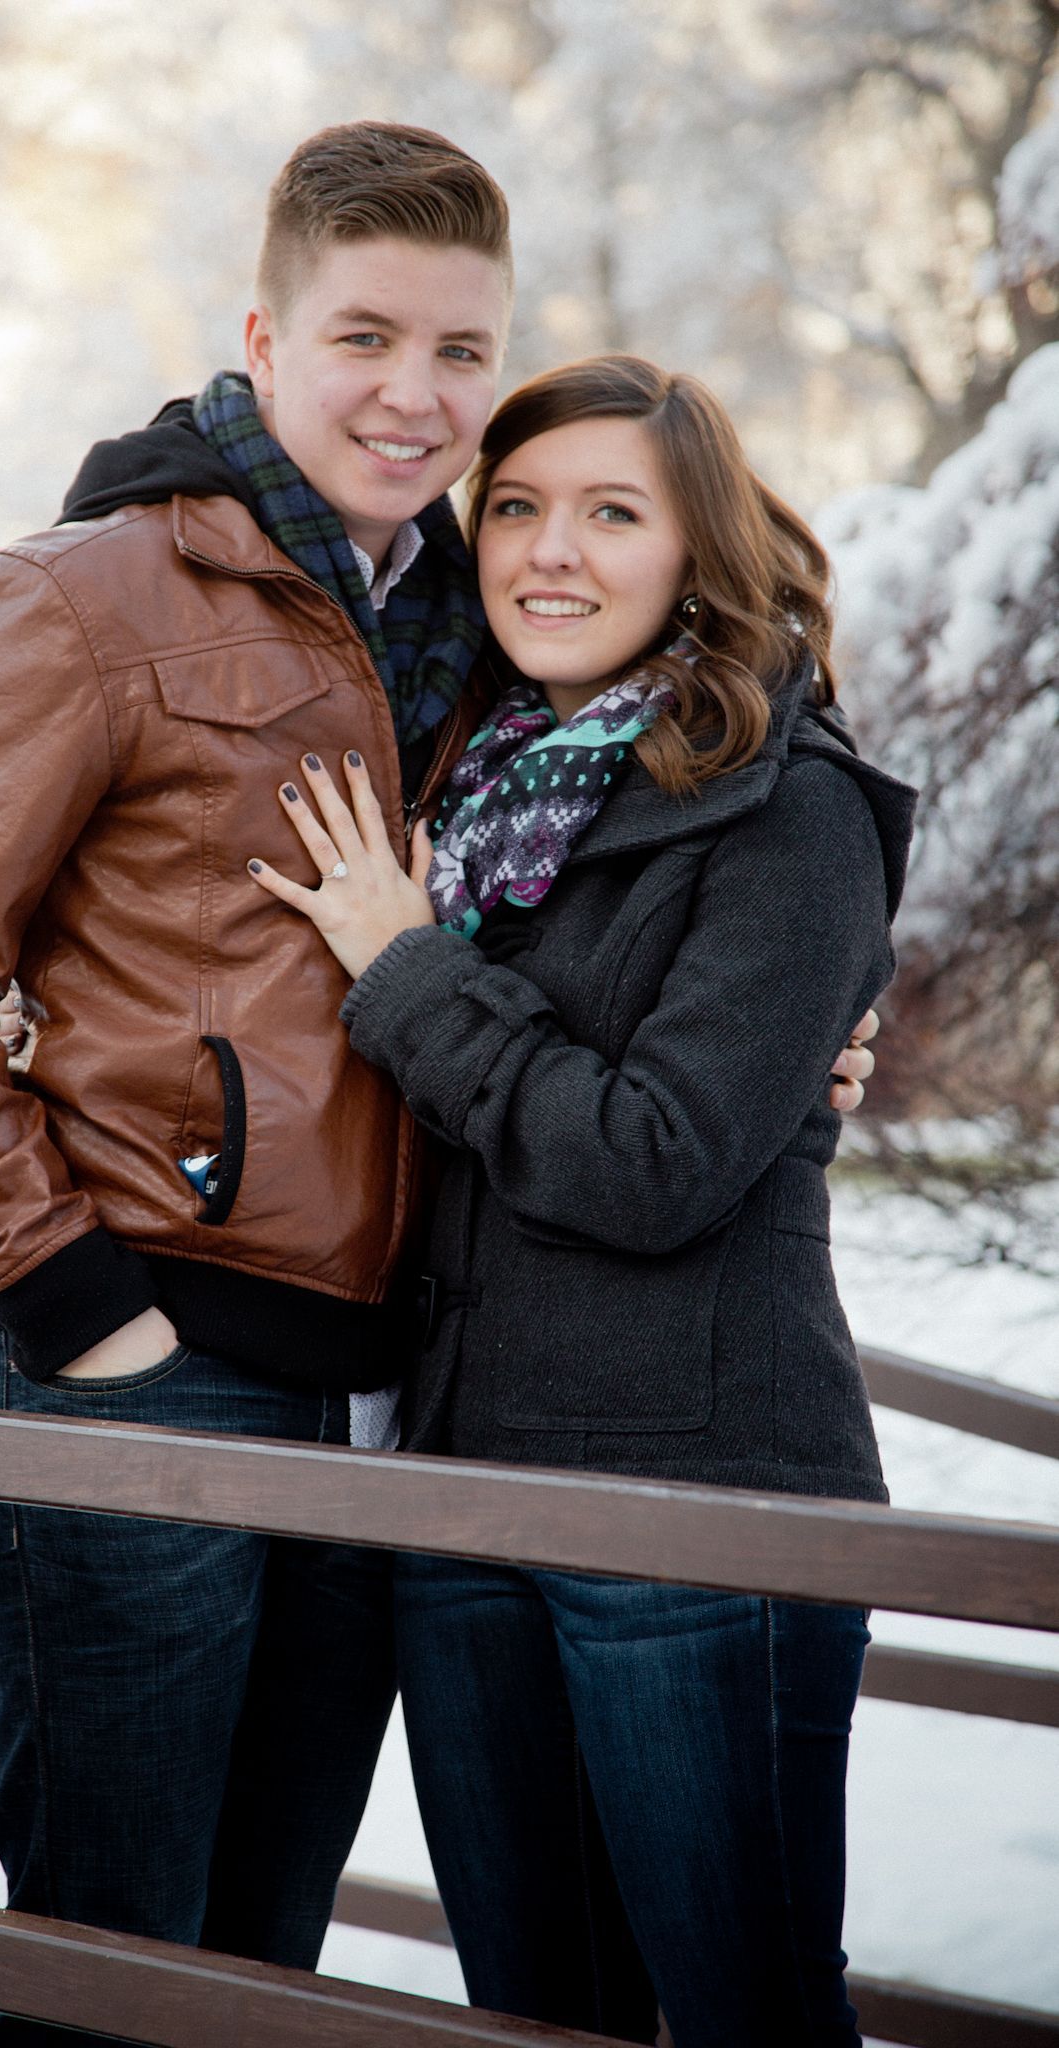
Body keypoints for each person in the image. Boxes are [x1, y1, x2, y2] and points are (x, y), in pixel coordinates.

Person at [0, 116, 876, 2039]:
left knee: (260, 1975)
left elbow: (601, 942)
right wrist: (67, 1299)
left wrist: (801, 1038)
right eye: (366, 337)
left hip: (378, 1397)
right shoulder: (86, 599)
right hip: (138, 1366)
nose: (416, 394)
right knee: (112, 1965)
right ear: (263, 338)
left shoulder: (471, 635)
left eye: (462, 352)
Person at [247, 353, 915, 2047]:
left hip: (694, 1525)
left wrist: (405, 969)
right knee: (538, 2019)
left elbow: (649, 1159)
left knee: (737, 2014)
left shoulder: (791, 812)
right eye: (520, 509)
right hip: (467, 1510)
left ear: (699, 551)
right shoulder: (474, 800)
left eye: (612, 513)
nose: (548, 551)